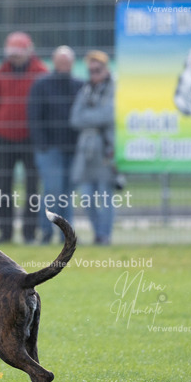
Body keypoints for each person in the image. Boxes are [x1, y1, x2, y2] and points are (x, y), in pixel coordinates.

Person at [0, 32, 47, 243]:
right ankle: (6, 233)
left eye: (17, 53)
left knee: (32, 187)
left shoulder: (40, 72)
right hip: (5, 139)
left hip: (31, 140)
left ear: (28, 52)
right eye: (11, 53)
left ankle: (29, 233)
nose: (13, 57)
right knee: (3, 186)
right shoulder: (1, 71)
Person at [28, 46, 82, 244]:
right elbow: (34, 117)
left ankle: (66, 236)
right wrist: (42, 145)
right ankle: (47, 232)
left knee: (67, 193)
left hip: (73, 150)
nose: (64, 65)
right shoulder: (41, 85)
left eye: (67, 62)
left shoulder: (79, 85)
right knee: (53, 190)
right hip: (49, 149)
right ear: (54, 62)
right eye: (61, 61)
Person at [69, 50, 117, 245]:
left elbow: (110, 114)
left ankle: (104, 236)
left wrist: (89, 117)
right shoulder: (85, 90)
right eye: (91, 71)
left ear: (106, 69)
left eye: (98, 70)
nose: (94, 74)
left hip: (106, 150)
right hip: (86, 153)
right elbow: (75, 119)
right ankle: (97, 233)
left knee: (106, 197)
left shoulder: (115, 89)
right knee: (87, 197)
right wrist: (95, 118)